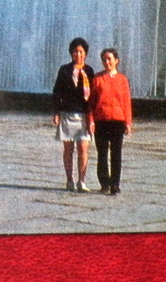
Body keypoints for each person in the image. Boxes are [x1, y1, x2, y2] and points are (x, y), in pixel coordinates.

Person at [52, 37, 94, 192]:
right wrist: (56, 112)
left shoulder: (89, 71)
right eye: (75, 51)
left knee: (83, 149)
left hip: (84, 115)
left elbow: (93, 95)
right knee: (68, 149)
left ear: (86, 54)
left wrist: (92, 117)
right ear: (71, 53)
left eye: (81, 52)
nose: (78, 54)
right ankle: (69, 180)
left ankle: (81, 181)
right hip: (67, 114)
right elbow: (57, 92)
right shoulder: (64, 70)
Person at [89, 48, 133, 195]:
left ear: (116, 61)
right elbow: (91, 103)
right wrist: (91, 120)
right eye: (104, 59)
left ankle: (115, 184)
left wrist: (128, 122)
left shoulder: (122, 80)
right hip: (101, 120)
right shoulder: (97, 79)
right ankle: (104, 183)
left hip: (117, 121)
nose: (107, 62)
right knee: (102, 153)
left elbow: (126, 102)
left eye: (110, 59)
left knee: (116, 154)